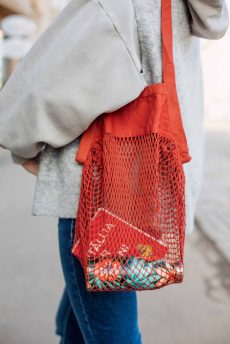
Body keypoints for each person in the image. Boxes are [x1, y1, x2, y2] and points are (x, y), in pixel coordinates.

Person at [0, 1, 228, 343]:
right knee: (83, 326)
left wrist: (23, 144)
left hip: (97, 196)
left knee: (110, 335)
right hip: (148, 190)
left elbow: (56, 85)